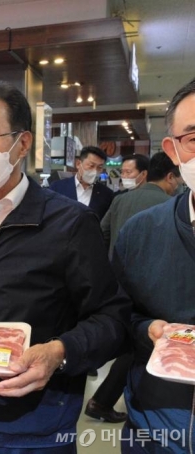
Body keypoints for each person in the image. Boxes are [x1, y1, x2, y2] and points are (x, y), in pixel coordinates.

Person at [0, 81, 130, 452]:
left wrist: (60, 351)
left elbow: (112, 317)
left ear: (22, 144)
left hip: (37, 425)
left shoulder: (69, 223)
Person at [112, 77, 195, 453]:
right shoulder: (142, 232)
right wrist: (146, 328)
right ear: (173, 149)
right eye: (194, 139)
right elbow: (117, 315)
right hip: (156, 426)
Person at [83, 152, 181, 426]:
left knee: (124, 335)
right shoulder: (173, 206)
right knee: (144, 342)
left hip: (117, 281)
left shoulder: (120, 200)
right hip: (157, 289)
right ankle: (107, 402)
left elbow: (100, 235)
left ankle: (101, 396)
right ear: (171, 177)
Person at [101, 152, 180, 254]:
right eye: (122, 172)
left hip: (118, 264)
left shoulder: (119, 200)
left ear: (144, 174)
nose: (123, 176)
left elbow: (103, 232)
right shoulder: (171, 203)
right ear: (170, 177)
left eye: (128, 172)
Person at [49, 145, 115, 220]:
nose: (95, 171)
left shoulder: (107, 194)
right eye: (91, 166)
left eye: (99, 167)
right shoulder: (57, 188)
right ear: (78, 164)